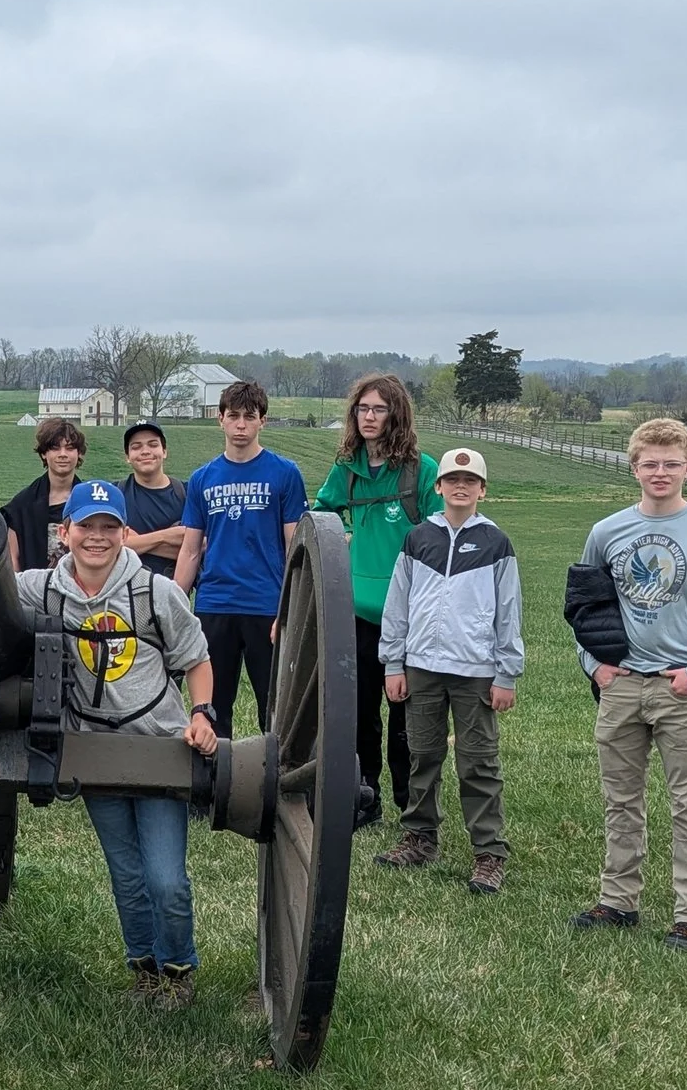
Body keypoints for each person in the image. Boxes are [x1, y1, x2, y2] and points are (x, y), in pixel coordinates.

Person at [19, 481, 218, 1007]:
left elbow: (195, 658)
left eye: (110, 528)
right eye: (86, 527)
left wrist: (200, 713)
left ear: (127, 535)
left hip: (158, 748)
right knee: (127, 874)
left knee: (165, 877)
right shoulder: (41, 589)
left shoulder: (156, 592)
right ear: (66, 533)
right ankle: (144, 969)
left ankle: (178, 969)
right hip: (93, 750)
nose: (97, 538)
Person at [569, 416, 687, 950]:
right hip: (622, 685)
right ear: (633, 467)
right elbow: (582, 607)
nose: (660, 472)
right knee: (620, 800)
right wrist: (595, 666)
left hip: (682, 689)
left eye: (670, 464)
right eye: (649, 463)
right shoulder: (606, 532)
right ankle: (617, 901)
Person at [374, 448, 523, 890]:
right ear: (438, 487)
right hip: (421, 666)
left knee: (478, 762)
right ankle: (419, 837)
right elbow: (397, 604)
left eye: (470, 480)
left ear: (482, 490)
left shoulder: (496, 543)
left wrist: (506, 672)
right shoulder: (419, 539)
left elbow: (509, 611)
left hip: (475, 669)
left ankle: (489, 852)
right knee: (422, 755)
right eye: (452, 480)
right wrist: (393, 663)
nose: (461, 487)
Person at [314, 373, 439, 828]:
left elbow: (439, 532)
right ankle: (366, 796)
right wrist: (340, 532)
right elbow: (322, 510)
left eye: (379, 409)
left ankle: (411, 804)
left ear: (396, 413)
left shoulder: (421, 470)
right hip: (358, 612)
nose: (369, 417)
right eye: (362, 409)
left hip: (408, 612)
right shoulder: (347, 468)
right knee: (361, 712)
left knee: (405, 717)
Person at [172, 380, 307, 740]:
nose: (241, 425)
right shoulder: (202, 478)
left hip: (266, 605)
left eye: (250, 416)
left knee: (274, 707)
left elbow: (295, 548)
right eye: (234, 416)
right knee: (212, 708)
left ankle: (273, 785)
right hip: (216, 605)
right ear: (220, 420)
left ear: (263, 420)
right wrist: (171, 603)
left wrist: (289, 608)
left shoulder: (285, 474)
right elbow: (190, 549)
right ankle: (214, 788)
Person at [2, 417, 87, 571]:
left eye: (69, 448)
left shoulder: (90, 502)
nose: (63, 454)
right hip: (35, 591)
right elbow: (11, 559)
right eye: (55, 448)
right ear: (43, 454)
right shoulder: (21, 505)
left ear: (79, 453)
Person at [117, 419, 189, 580]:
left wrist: (134, 542)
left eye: (153, 444)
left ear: (164, 451)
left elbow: (200, 546)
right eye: (136, 447)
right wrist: (168, 536)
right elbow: (111, 544)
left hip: (175, 593)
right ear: (127, 456)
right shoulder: (116, 494)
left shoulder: (187, 493)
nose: (145, 451)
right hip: (124, 596)